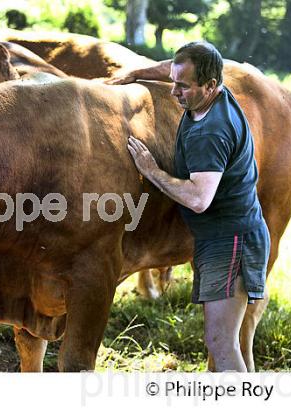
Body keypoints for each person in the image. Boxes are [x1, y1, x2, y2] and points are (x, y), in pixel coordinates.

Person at [115, 42, 270, 372]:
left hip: (231, 243)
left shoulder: (209, 132)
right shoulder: (214, 88)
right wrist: (136, 73)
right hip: (233, 235)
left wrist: (151, 170)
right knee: (222, 340)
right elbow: (176, 69)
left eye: (182, 86)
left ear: (210, 85)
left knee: (221, 343)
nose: (173, 92)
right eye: (174, 81)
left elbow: (200, 199)